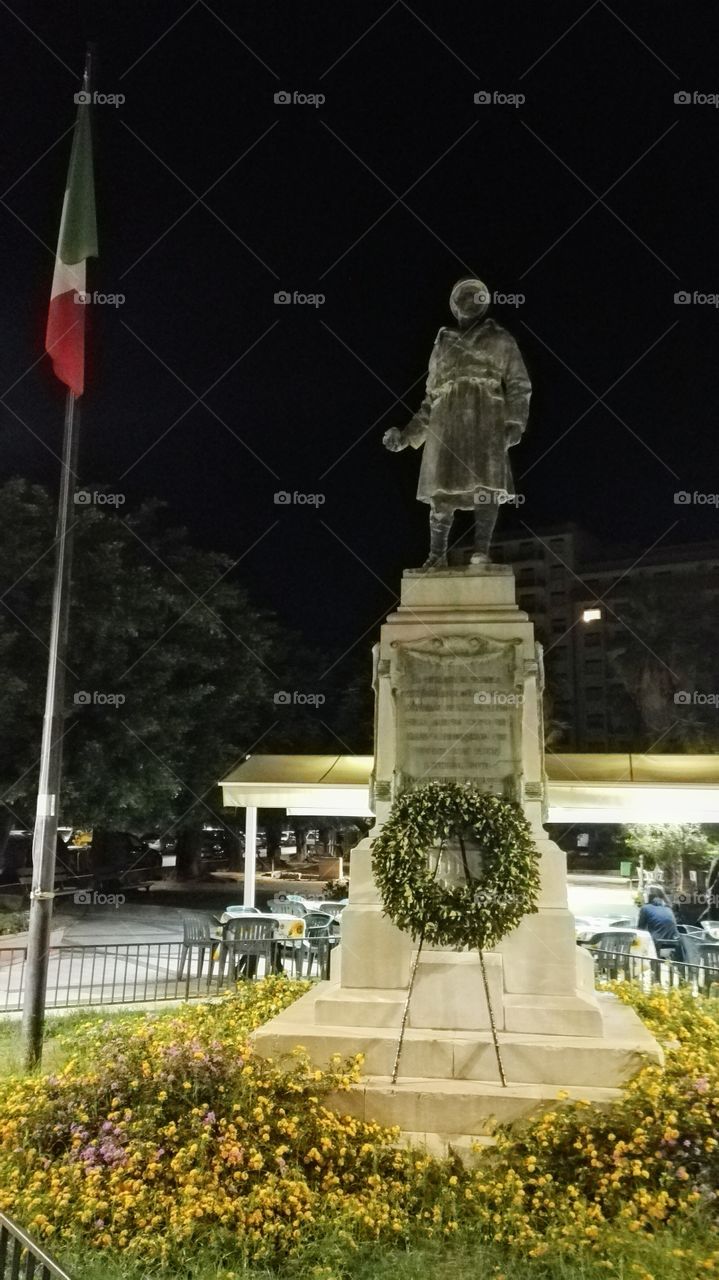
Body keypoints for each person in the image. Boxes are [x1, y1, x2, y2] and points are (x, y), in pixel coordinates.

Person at [382, 277, 531, 569]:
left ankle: (481, 550)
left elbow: (518, 383)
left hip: (486, 417)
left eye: (477, 296)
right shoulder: (442, 343)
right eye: (465, 295)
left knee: (486, 487)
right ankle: (436, 556)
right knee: (441, 493)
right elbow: (430, 399)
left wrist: (515, 421)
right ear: (455, 305)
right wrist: (407, 437)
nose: (471, 300)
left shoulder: (500, 339)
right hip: (446, 423)